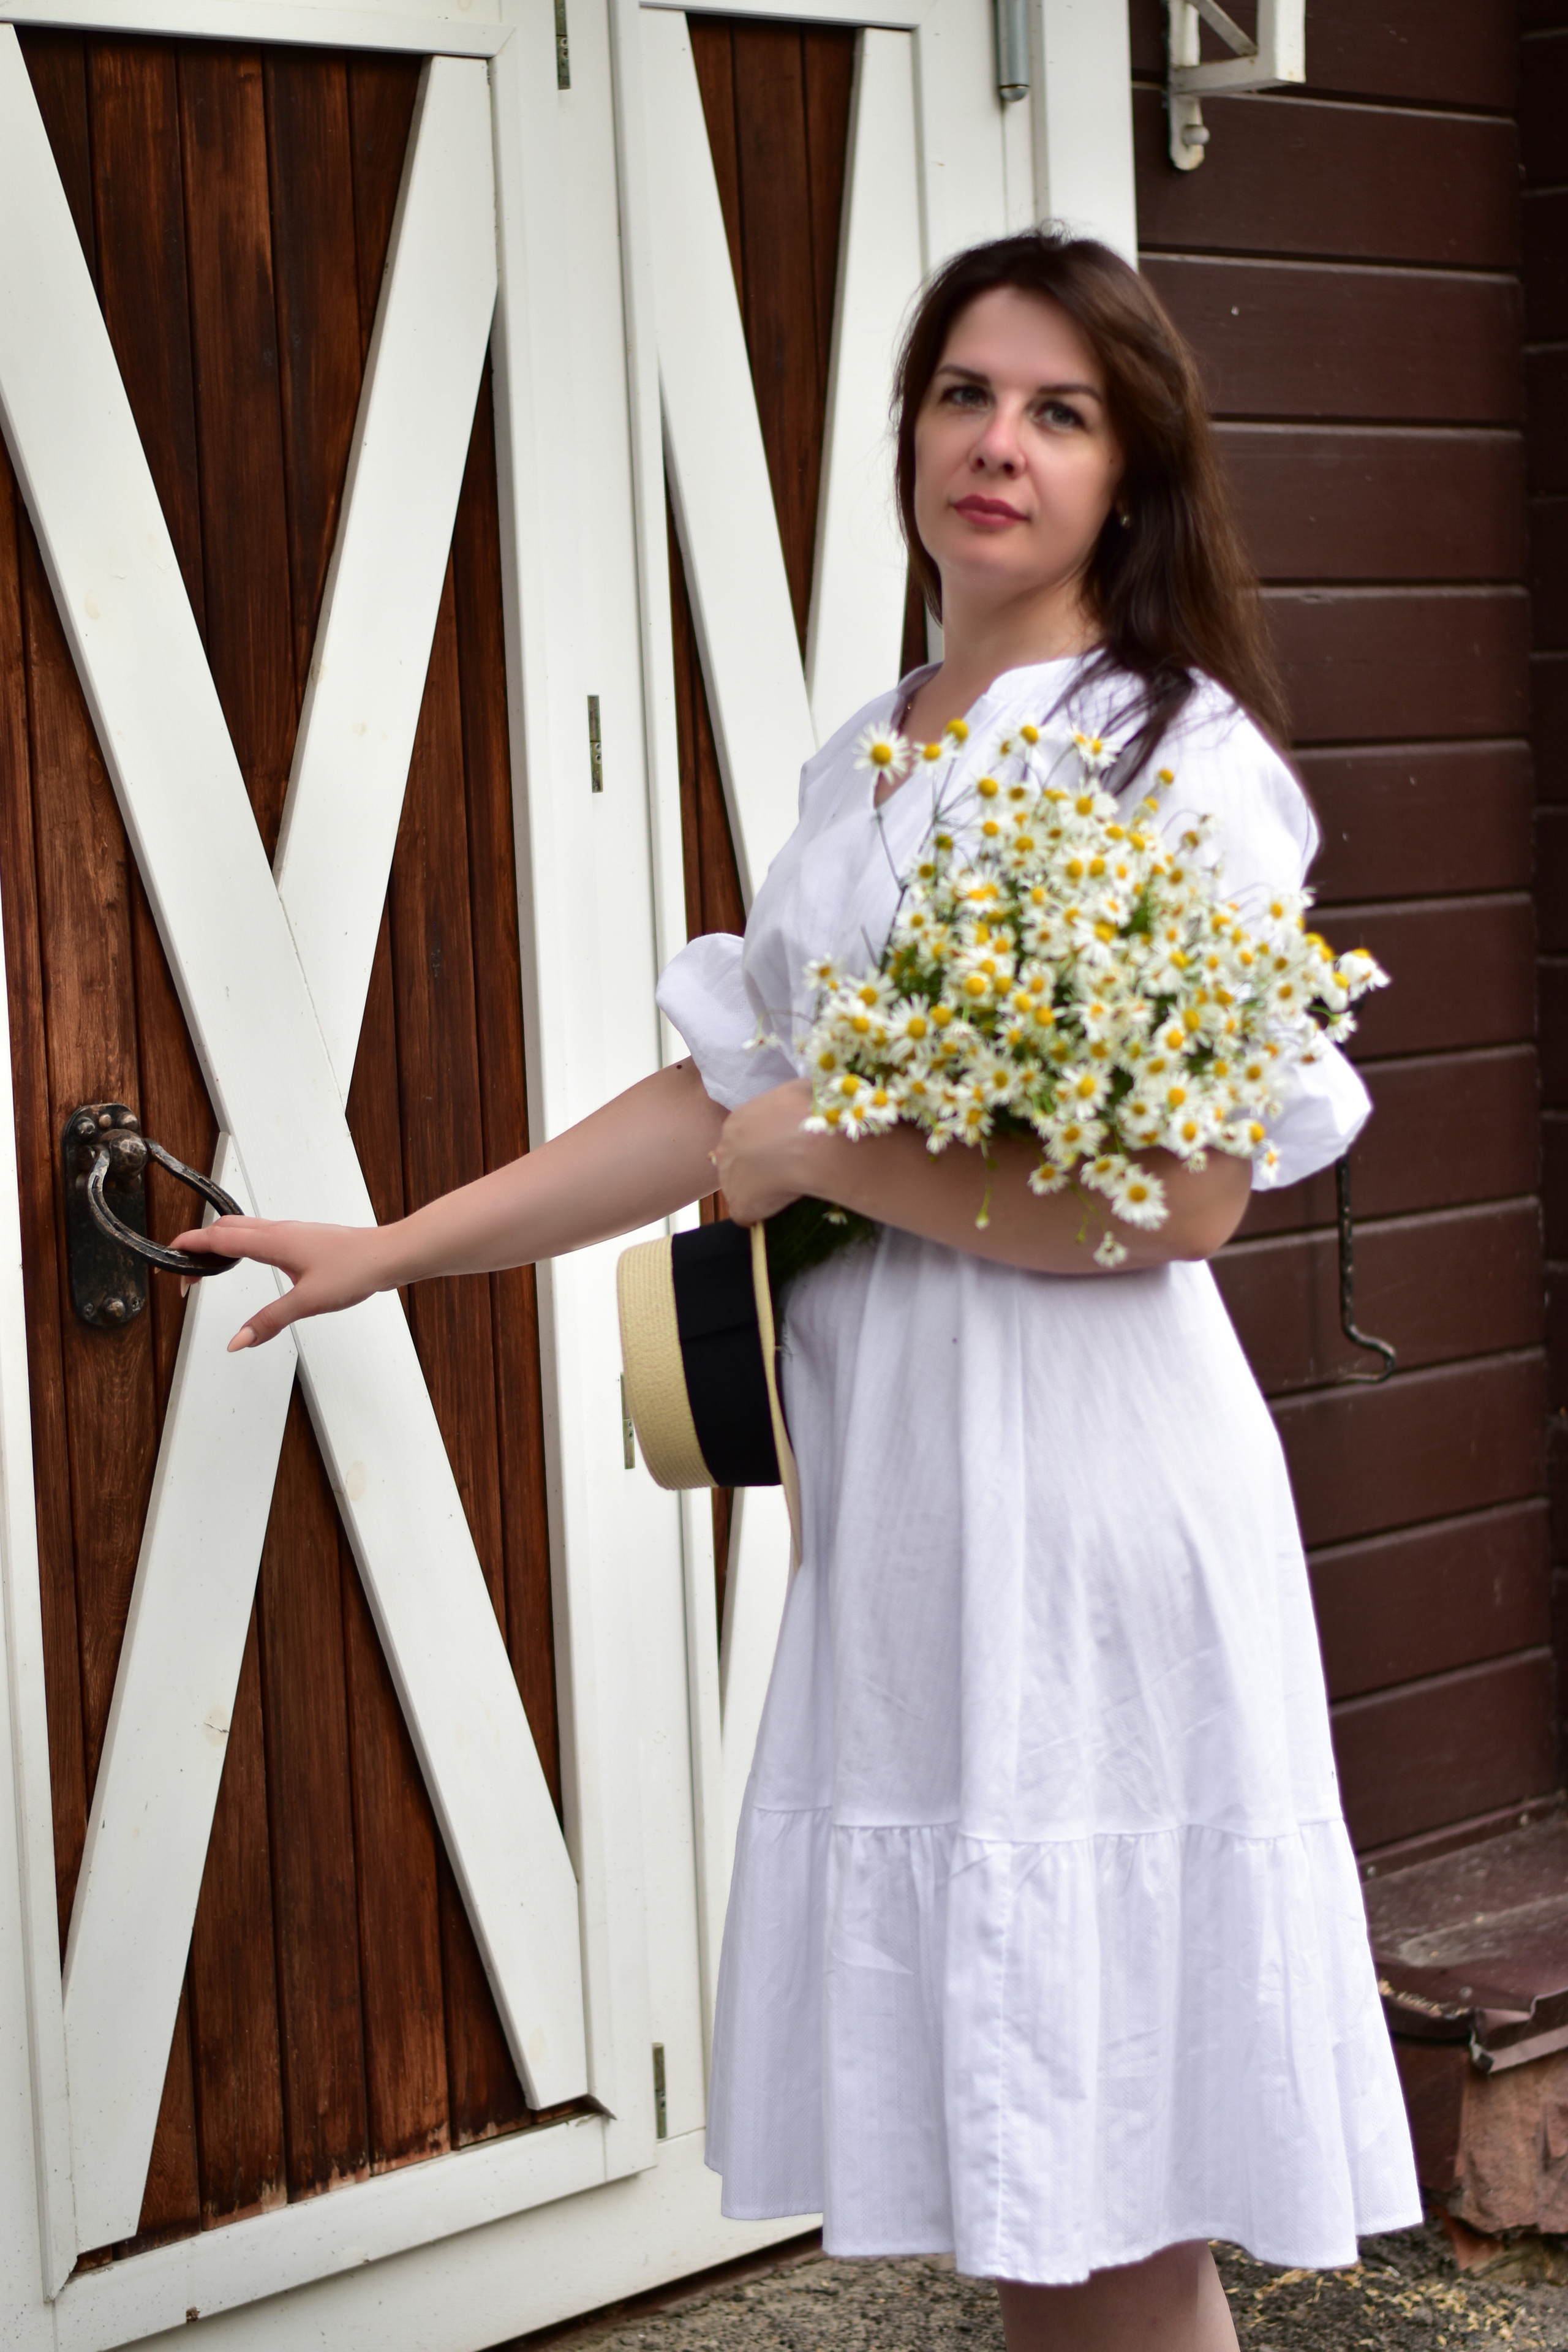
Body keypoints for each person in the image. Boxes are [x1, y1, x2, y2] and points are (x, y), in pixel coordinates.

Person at [178, 229, 1420, 2351]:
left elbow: (1194, 1199)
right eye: (963, 394)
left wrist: (839, 1158)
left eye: (1059, 409)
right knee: (1039, 2185)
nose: (998, 445)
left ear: (1136, 469)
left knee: (1114, 2179)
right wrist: (387, 1248)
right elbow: (719, 1091)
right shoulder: (871, 757)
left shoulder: (1174, 763)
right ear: (909, 429)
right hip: (920, 1514)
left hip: (1097, 1509)